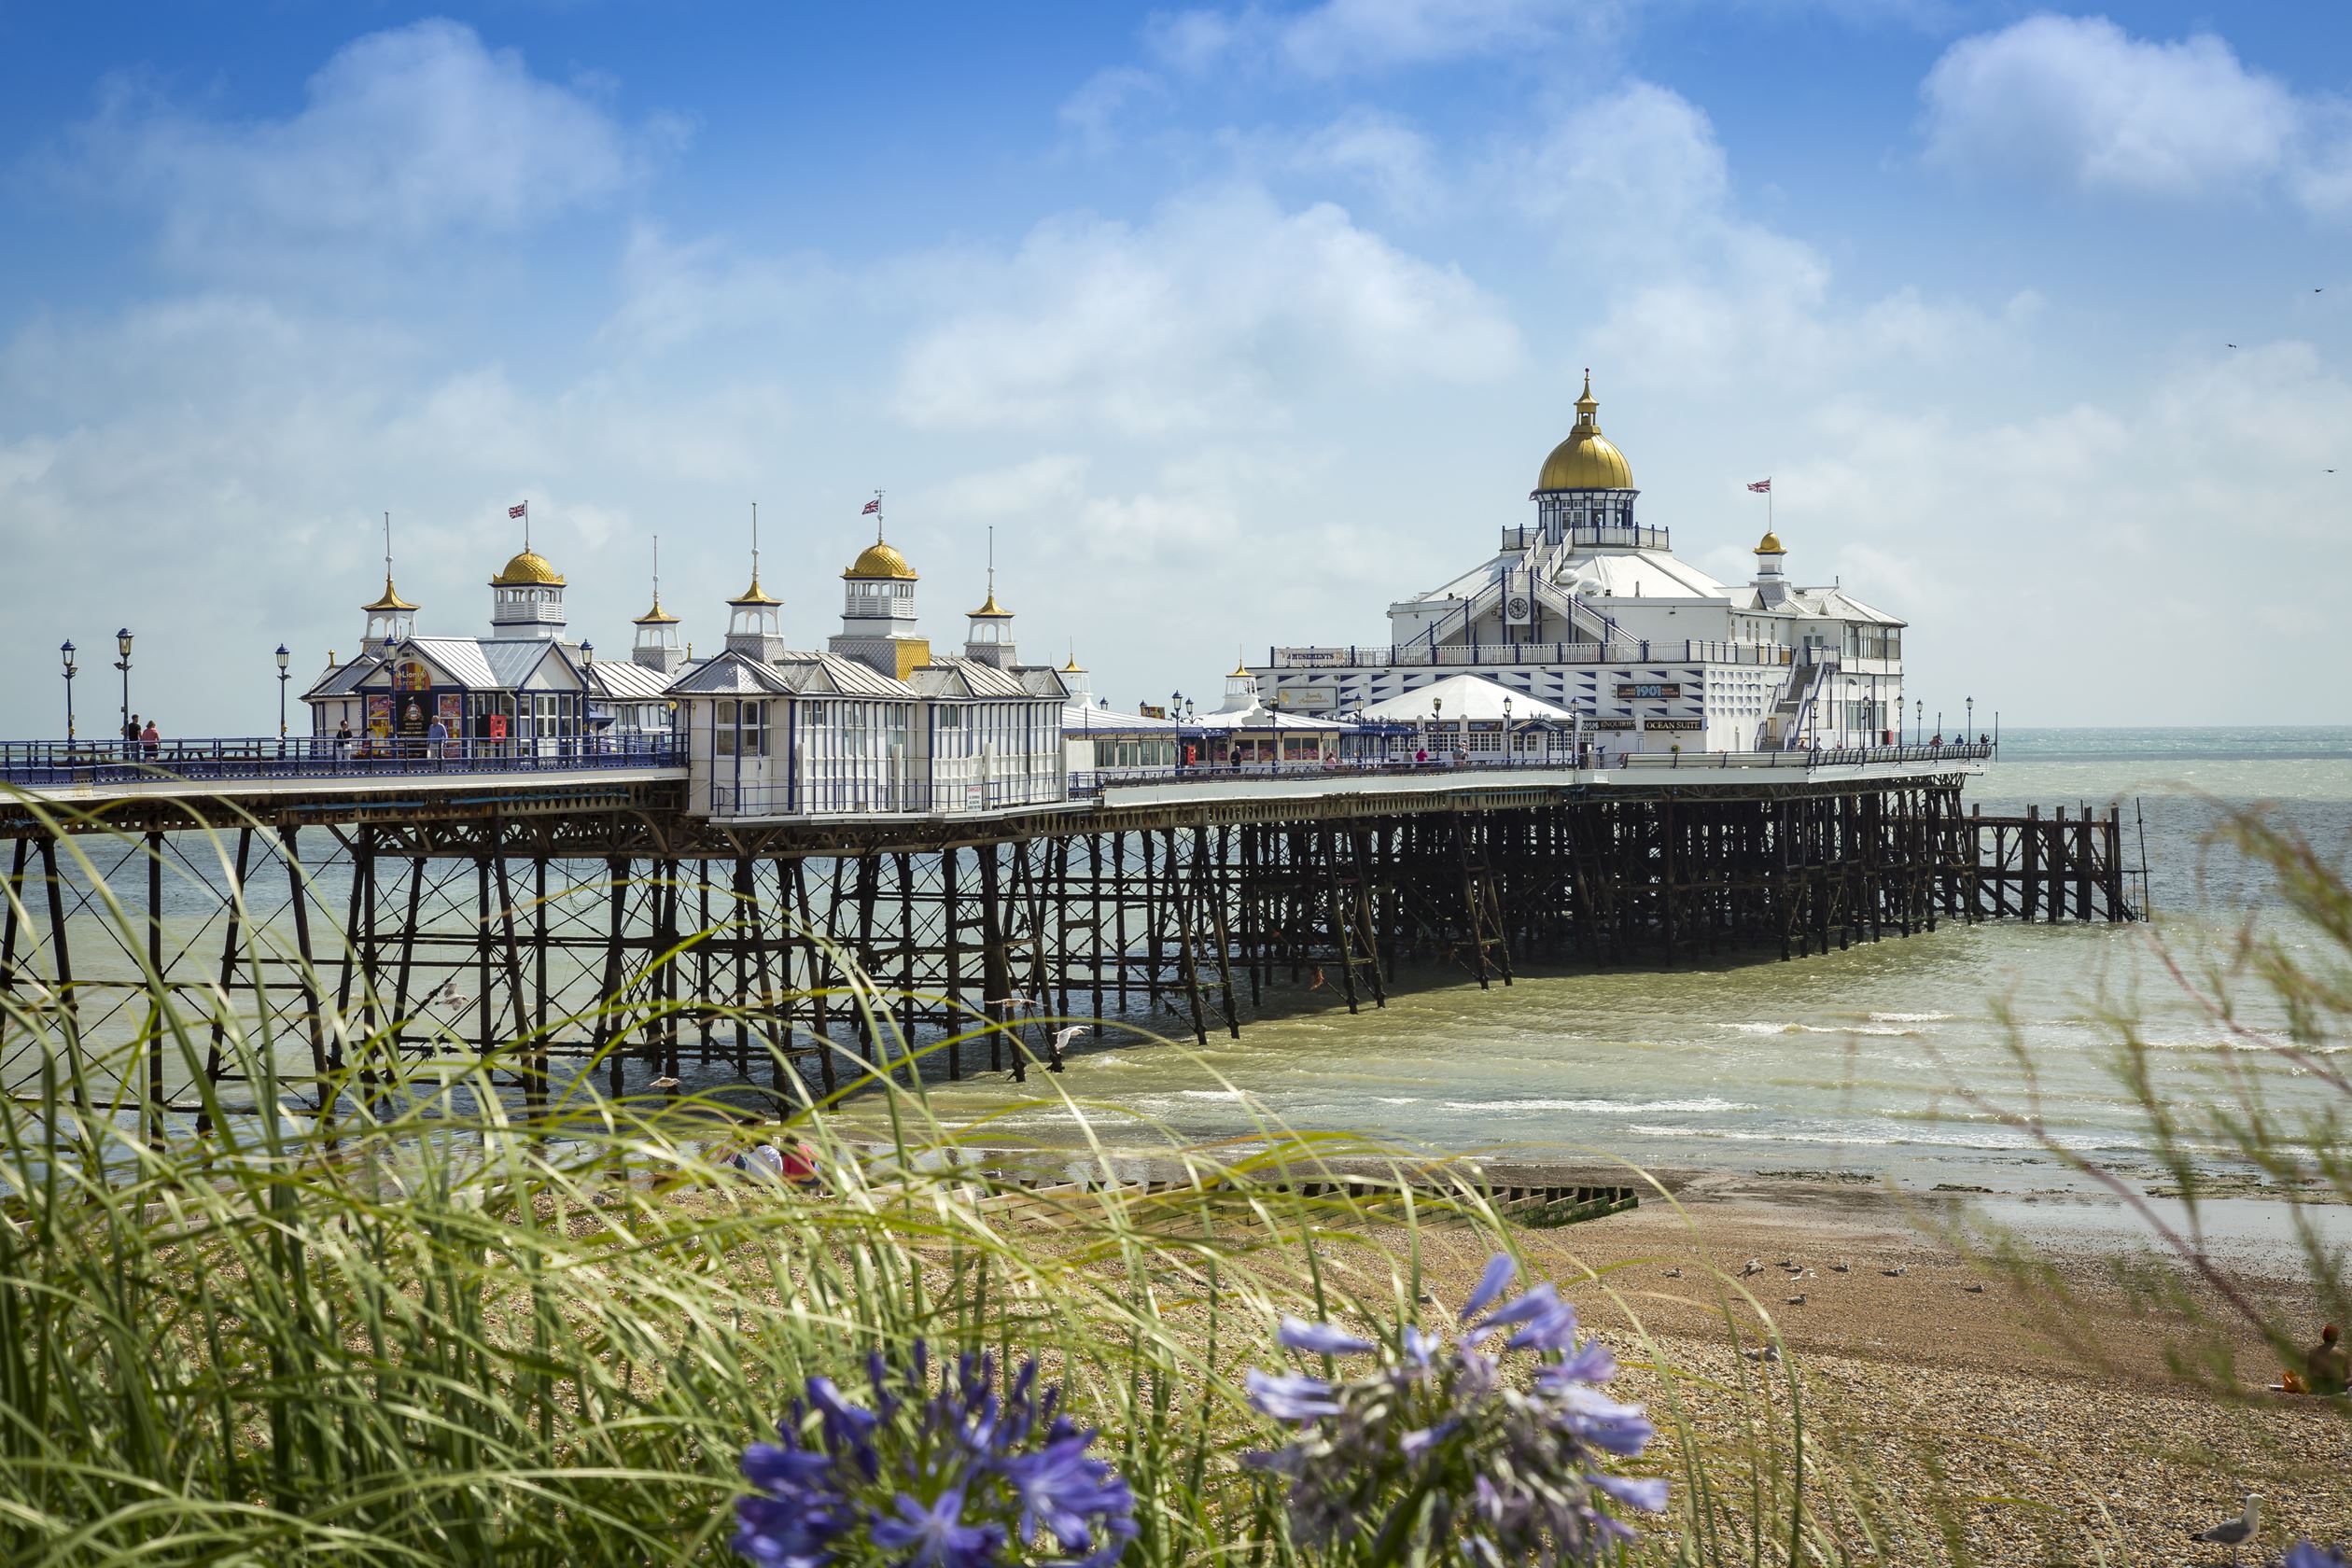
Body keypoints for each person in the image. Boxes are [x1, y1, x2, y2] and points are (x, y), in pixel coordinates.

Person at [2311, 1323, 2349, 1396]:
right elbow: (2346, 1377)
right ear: (2336, 1338)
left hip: (2317, 1385)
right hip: (2334, 1387)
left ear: (2323, 1337)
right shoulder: (2343, 1354)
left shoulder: (2313, 1352)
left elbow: (2309, 1372)